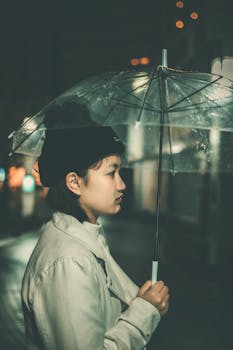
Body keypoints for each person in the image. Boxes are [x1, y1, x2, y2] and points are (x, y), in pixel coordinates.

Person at [21, 106, 170, 350]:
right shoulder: (68, 262)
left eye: (120, 172)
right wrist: (146, 312)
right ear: (74, 182)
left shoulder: (88, 239)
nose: (121, 184)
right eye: (112, 173)